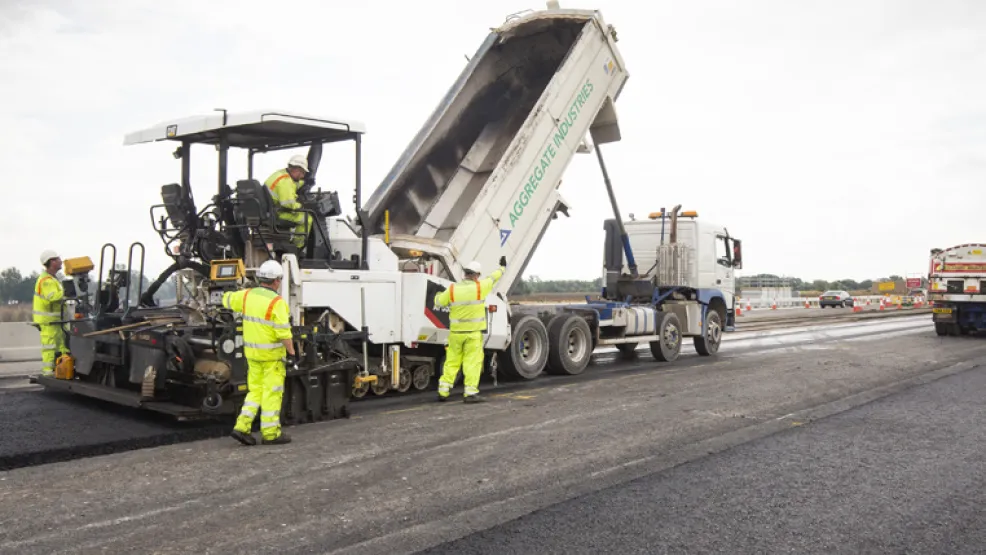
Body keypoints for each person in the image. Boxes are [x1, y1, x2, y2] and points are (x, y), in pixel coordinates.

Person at [224, 260, 296, 446]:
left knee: (255, 391)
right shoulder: (277, 302)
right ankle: (271, 434)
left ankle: (242, 427)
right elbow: (283, 332)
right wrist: (292, 352)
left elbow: (227, 299)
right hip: (272, 358)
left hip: (252, 355)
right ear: (277, 281)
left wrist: (227, 292)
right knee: (272, 393)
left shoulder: (246, 296)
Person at [433, 256, 506, 403]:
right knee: (472, 363)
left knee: (451, 362)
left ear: (465, 273)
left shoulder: (452, 289)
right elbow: (493, 278)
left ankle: (443, 391)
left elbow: (439, 302)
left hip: (455, 335)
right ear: (477, 275)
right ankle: (470, 393)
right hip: (473, 335)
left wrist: (438, 294)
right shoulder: (480, 287)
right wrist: (502, 268)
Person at [33, 250, 69, 377]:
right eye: (58, 259)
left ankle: (61, 371)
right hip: (48, 322)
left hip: (56, 322)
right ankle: (48, 373)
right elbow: (52, 297)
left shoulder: (54, 279)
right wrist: (67, 292)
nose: (61, 261)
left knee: (61, 348)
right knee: (50, 348)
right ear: (51, 262)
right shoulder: (47, 281)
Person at [265, 154, 312, 249]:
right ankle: (297, 247)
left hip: (272, 210)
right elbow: (288, 204)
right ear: (296, 169)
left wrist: (305, 183)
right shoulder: (285, 182)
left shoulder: (281, 174)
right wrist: (301, 206)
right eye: (302, 173)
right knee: (307, 219)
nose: (302, 176)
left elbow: (293, 185)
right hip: (278, 213)